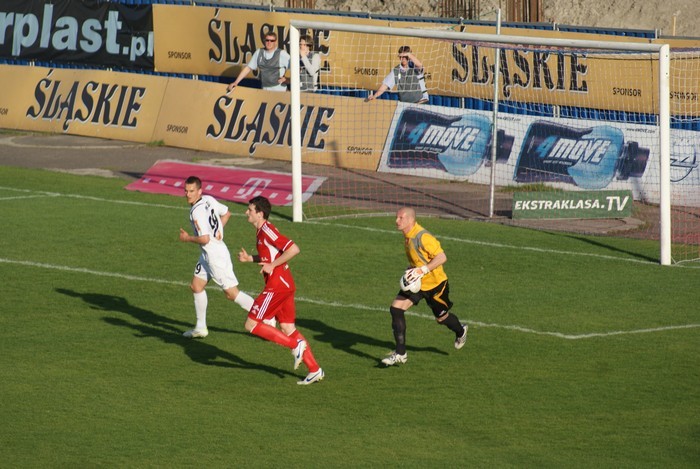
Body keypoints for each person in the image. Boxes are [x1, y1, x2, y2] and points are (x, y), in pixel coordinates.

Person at [237, 196, 324, 385]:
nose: (246, 212)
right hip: (285, 285)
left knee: (251, 325)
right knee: (287, 327)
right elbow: (269, 255)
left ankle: (295, 345)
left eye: (250, 210)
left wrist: (273, 265)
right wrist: (250, 259)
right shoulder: (261, 232)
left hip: (277, 286)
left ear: (260, 213)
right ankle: (314, 369)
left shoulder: (267, 230)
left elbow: (293, 249)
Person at [382, 207, 468, 366]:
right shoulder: (408, 236)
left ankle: (461, 330)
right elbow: (419, 259)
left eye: (400, 218)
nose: (396, 221)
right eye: (396, 217)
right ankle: (401, 353)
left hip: (436, 286)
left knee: (442, 318)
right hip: (418, 283)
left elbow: (442, 257)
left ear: (410, 220)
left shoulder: (423, 237)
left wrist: (423, 269)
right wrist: (412, 269)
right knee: (396, 309)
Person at [178, 176, 255, 338]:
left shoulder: (196, 211)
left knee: (231, 294)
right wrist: (217, 233)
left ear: (199, 191)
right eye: (186, 190)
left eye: (191, 191)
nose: (188, 194)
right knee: (196, 286)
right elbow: (227, 213)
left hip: (215, 256)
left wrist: (187, 238)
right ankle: (201, 328)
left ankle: (266, 316)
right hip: (208, 254)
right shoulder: (208, 199)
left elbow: (204, 239)